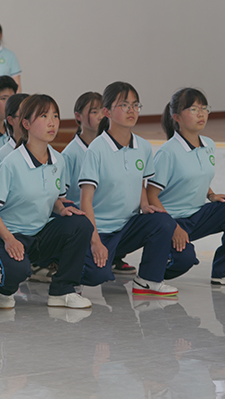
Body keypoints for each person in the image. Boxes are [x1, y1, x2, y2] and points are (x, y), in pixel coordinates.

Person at [0, 94, 93, 310]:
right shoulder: (11, 163)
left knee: (81, 224)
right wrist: (9, 239)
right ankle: (4, 292)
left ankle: (63, 291)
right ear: (26, 124)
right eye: (44, 116)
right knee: (18, 271)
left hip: (39, 234)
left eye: (55, 116)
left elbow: (56, 198)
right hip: (9, 236)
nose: (52, 122)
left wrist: (62, 209)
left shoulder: (58, 160)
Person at [77, 82, 177, 296]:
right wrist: (95, 242)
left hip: (127, 227)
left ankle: (148, 280)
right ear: (107, 112)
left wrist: (145, 205)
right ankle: (69, 268)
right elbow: (85, 201)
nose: (132, 110)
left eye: (135, 105)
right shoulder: (96, 149)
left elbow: (140, 182)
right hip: (100, 230)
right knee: (96, 276)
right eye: (124, 105)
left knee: (163, 220)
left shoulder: (143, 146)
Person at [147, 88, 225, 286]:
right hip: (171, 221)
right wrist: (173, 227)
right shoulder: (168, 152)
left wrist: (211, 195)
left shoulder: (208, 144)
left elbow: (197, 174)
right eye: (194, 109)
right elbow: (150, 195)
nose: (201, 114)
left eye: (204, 108)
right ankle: (152, 268)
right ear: (176, 117)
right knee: (184, 260)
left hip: (197, 215)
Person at [62, 91, 137, 277]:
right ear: (78, 116)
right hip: (82, 216)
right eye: (93, 112)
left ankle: (115, 256)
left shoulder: (110, 146)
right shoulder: (71, 154)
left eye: (102, 111)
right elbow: (60, 194)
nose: (100, 116)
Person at [0, 92, 29, 194]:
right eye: (24, 117)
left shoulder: (49, 153)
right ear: (10, 120)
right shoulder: (0, 158)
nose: (29, 121)